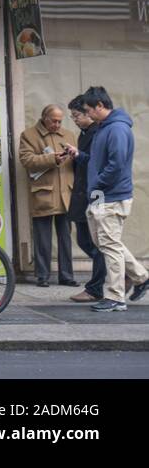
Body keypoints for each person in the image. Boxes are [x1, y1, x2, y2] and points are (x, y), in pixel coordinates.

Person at [80, 86, 149, 312]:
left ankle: (115, 297)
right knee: (106, 243)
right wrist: (80, 156)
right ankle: (141, 277)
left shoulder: (117, 129)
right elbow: (101, 161)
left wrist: (97, 183)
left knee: (109, 246)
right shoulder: (104, 128)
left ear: (100, 105)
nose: (87, 115)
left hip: (111, 196)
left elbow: (116, 165)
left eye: (89, 110)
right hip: (102, 195)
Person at [18, 104, 78, 287]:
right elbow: (26, 160)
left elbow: (77, 162)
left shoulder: (69, 135)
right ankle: (42, 276)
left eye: (60, 121)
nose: (57, 124)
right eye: (54, 120)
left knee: (66, 237)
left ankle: (67, 275)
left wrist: (75, 156)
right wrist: (52, 159)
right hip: (43, 193)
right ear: (44, 117)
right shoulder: (29, 135)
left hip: (66, 193)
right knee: (42, 238)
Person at [64, 96, 106, 304]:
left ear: (90, 112)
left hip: (94, 194)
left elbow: (97, 164)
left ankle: (95, 288)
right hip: (82, 192)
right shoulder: (85, 133)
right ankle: (127, 272)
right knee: (85, 240)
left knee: (97, 243)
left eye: (77, 115)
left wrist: (78, 154)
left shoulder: (98, 133)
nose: (76, 120)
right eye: (72, 117)